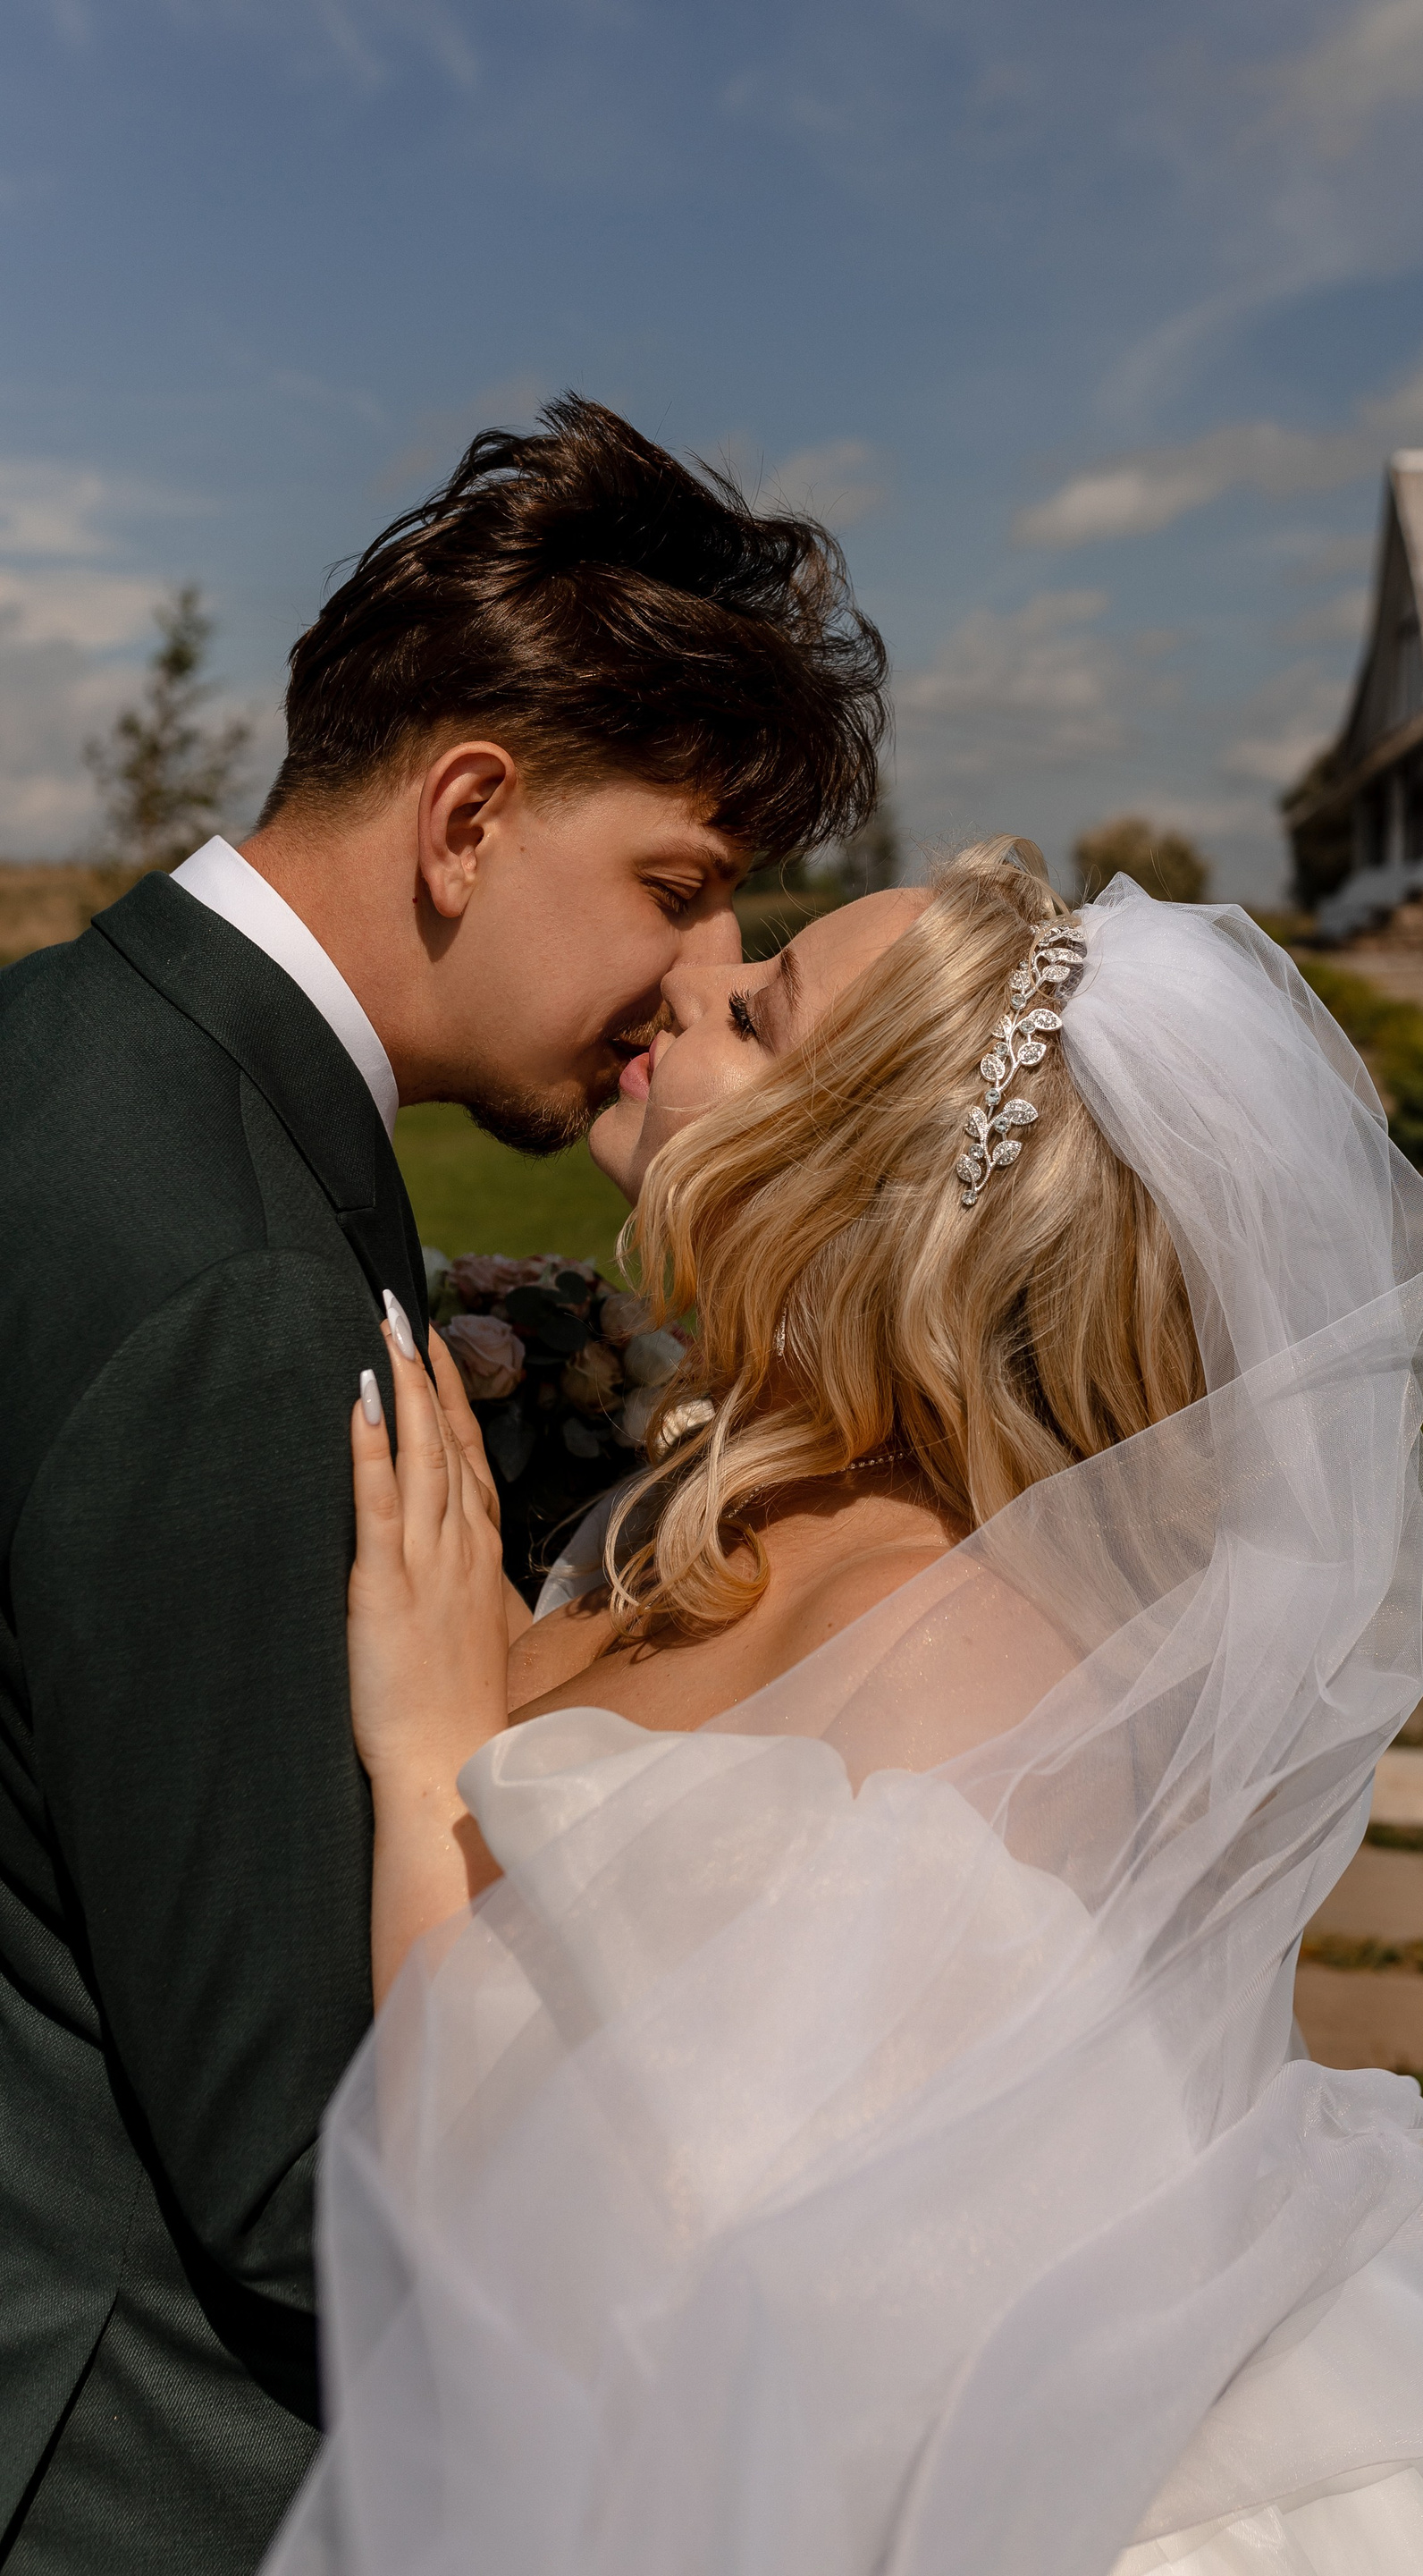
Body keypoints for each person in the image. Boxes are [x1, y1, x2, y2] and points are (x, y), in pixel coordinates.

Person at [275, 843, 1423, 2575]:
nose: (693, 982)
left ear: (868, 1187)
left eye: (759, 1014)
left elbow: (634, 2295)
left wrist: (426, 1760)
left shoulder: (955, 1657)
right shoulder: (720, 1502)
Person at [0, 393, 885, 2575]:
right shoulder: (236, 1290)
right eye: (676, 889)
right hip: (149, 2464)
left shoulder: (69, 1045)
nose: (690, 984)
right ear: (471, 814)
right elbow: (302, 2163)